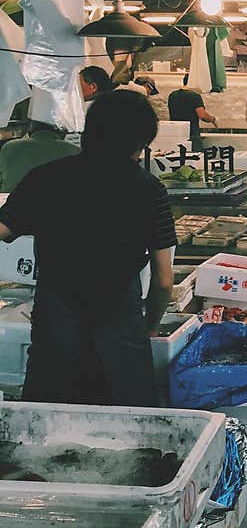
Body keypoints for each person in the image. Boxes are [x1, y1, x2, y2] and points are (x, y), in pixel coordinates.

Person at [0, 90, 177, 405]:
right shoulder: (150, 191)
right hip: (121, 340)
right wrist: (150, 327)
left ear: (88, 130)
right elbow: (164, 281)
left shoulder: (45, 178)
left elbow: (3, 229)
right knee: (128, 441)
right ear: (142, 142)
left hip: (55, 336)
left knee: (43, 435)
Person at [0, 120, 78, 193]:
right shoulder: (74, 150)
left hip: (12, 204)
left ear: (31, 128)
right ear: (61, 130)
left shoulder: (10, 147)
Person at [168, 77, 217, 152]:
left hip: (176, 133)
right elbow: (202, 115)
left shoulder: (172, 95)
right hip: (192, 134)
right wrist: (212, 119)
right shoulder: (194, 96)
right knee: (195, 159)